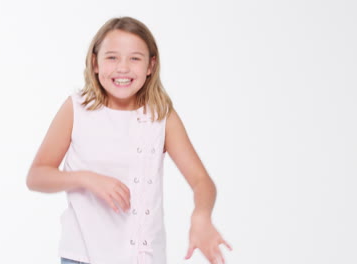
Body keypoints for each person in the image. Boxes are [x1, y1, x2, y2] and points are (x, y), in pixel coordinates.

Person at [26, 16, 233, 264]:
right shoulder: (76, 109)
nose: (123, 68)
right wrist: (86, 178)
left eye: (135, 58)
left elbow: (202, 181)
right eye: (112, 57)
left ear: (150, 66)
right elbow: (37, 176)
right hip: (83, 257)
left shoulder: (161, 116)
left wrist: (201, 216)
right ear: (95, 63)